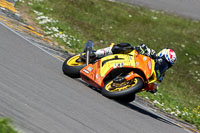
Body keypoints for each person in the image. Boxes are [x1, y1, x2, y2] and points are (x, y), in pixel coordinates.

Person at [94, 43, 177, 93]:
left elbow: (156, 84)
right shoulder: (152, 54)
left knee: (130, 98)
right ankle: (97, 53)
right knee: (126, 47)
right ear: (160, 56)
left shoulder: (160, 75)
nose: (164, 65)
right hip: (130, 60)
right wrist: (142, 49)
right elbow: (142, 46)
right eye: (164, 62)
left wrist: (154, 88)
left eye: (167, 65)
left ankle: (117, 85)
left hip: (137, 74)